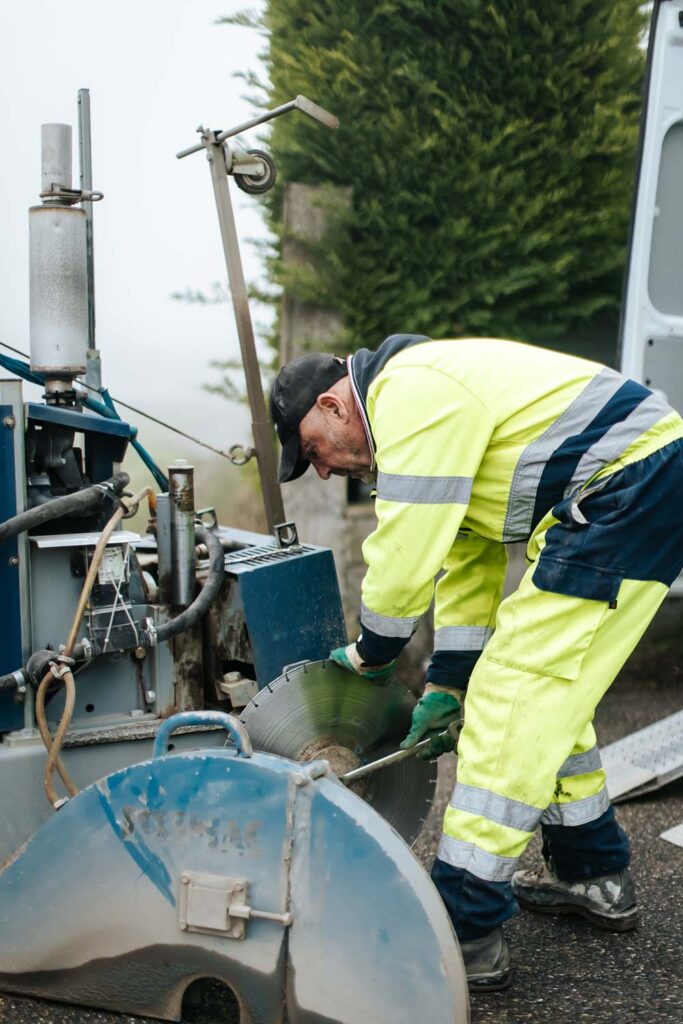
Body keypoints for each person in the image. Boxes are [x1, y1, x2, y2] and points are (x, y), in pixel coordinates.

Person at [269, 333, 683, 990]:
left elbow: (403, 559)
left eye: (311, 448)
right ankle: (594, 874)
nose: (319, 468)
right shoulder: (425, 402)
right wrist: (445, 683)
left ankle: (463, 928)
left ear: (332, 403)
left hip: (625, 489)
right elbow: (468, 559)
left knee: (515, 696)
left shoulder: (409, 394)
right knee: (551, 697)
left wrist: (370, 654)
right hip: (624, 489)